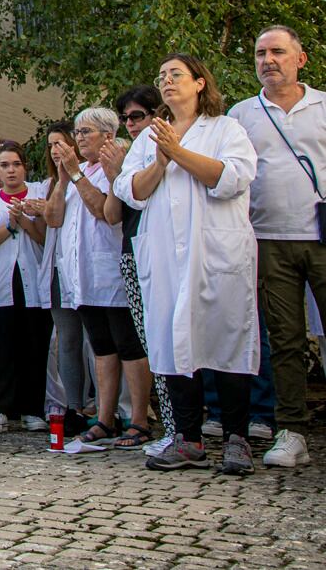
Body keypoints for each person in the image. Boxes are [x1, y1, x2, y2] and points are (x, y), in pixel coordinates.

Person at [114, 53, 260, 474]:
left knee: (226, 338)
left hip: (216, 253)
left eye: (175, 74)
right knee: (173, 340)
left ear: (199, 82)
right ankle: (188, 439)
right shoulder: (148, 139)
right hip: (164, 255)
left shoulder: (225, 128)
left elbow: (230, 177)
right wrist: (160, 159)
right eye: (161, 76)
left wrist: (176, 152)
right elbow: (132, 191)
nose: (167, 81)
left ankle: (236, 438)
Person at [229, 25, 325, 468]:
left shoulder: (324, 106)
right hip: (268, 240)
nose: (268, 60)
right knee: (284, 340)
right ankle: (292, 431)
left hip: (322, 237)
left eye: (278, 52)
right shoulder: (242, 114)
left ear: (300, 59)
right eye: (260, 53)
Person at [47, 107, 152, 450]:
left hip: (112, 272)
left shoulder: (115, 165)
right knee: (102, 348)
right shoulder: (81, 170)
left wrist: (76, 175)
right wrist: (66, 179)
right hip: (85, 276)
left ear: (108, 135)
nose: (78, 139)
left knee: (128, 345)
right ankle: (105, 418)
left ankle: (138, 419)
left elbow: (105, 212)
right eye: (76, 132)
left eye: (85, 132)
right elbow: (57, 218)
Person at [101, 86, 179, 453]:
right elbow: (113, 213)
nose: (131, 125)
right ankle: (168, 421)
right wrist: (116, 175)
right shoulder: (127, 157)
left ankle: (175, 421)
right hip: (133, 251)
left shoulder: (161, 147)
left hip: (166, 249)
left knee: (170, 338)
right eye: (126, 119)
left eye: (138, 117)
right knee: (152, 340)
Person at [0, 143, 51, 433]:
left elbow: (45, 238)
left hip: (32, 282)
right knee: (0, 348)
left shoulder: (40, 195)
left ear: (25, 167)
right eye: (5, 165)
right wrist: (9, 227)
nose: (11, 170)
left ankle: (32, 409)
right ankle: (0, 410)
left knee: (33, 346)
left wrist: (26, 222)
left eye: (16, 164)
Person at [40, 122, 90, 431]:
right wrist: (60, 181)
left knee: (99, 342)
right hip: (60, 269)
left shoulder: (93, 172)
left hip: (89, 268)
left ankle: (114, 406)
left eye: (61, 143)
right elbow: (54, 218)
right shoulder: (52, 183)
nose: (56, 150)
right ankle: (74, 407)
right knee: (68, 340)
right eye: (50, 145)